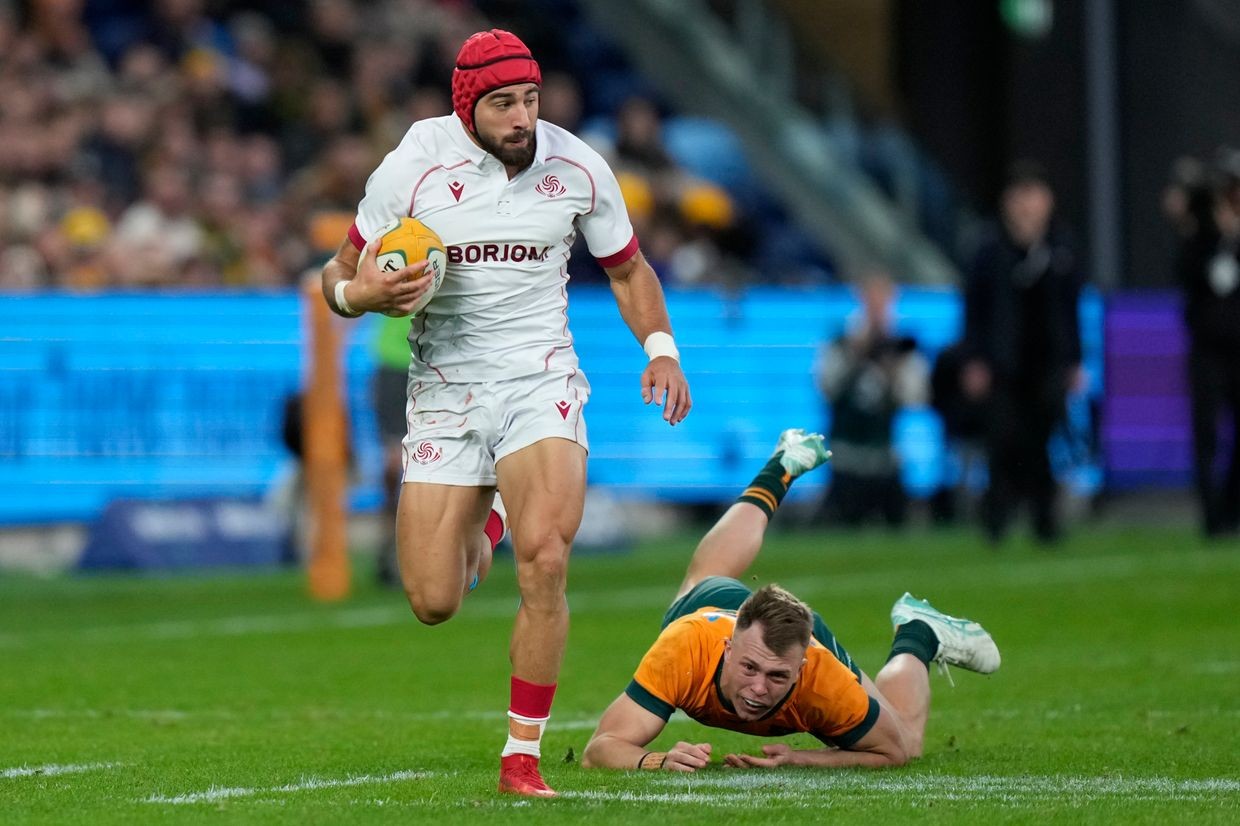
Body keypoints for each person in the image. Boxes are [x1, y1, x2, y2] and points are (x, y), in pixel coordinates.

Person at [318, 29, 691, 798]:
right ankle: (488, 523)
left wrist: (661, 348)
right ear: (467, 107)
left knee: (547, 558)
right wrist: (363, 296)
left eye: (530, 98)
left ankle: (521, 756)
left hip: (539, 380)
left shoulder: (578, 164)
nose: (522, 118)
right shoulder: (412, 167)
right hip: (446, 393)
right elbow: (336, 273)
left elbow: (629, 270)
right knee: (432, 600)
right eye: (502, 104)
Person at [582, 429, 1000, 772]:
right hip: (709, 612)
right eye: (748, 667)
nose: (758, 689)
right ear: (728, 648)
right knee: (704, 579)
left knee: (909, 742)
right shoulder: (684, 647)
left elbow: (891, 752)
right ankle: (781, 467)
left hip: (796, 631)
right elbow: (600, 748)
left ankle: (917, 633)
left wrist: (802, 757)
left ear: (801, 669)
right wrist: (655, 760)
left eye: (778, 677)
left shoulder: (822, 676)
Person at [961, 160, 1083, 544]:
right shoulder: (988, 251)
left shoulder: (1061, 249)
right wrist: (974, 360)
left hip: (1047, 364)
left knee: (1042, 441)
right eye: (1019, 196)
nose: (1026, 205)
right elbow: (974, 311)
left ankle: (1045, 520)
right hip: (1003, 364)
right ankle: (996, 521)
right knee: (1002, 441)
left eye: (1033, 195)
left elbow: (1070, 310)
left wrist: (1075, 361)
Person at [814, 272, 928, 527]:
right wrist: (856, 355)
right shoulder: (842, 340)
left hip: (883, 455)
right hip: (846, 454)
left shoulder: (901, 344)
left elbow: (916, 397)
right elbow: (826, 387)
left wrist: (894, 371)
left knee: (894, 524)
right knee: (844, 524)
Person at [1170, 152, 1240, 537]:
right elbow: (1184, 273)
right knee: (1206, 431)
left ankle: (1231, 507)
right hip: (1208, 347)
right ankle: (1211, 515)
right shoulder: (1200, 233)